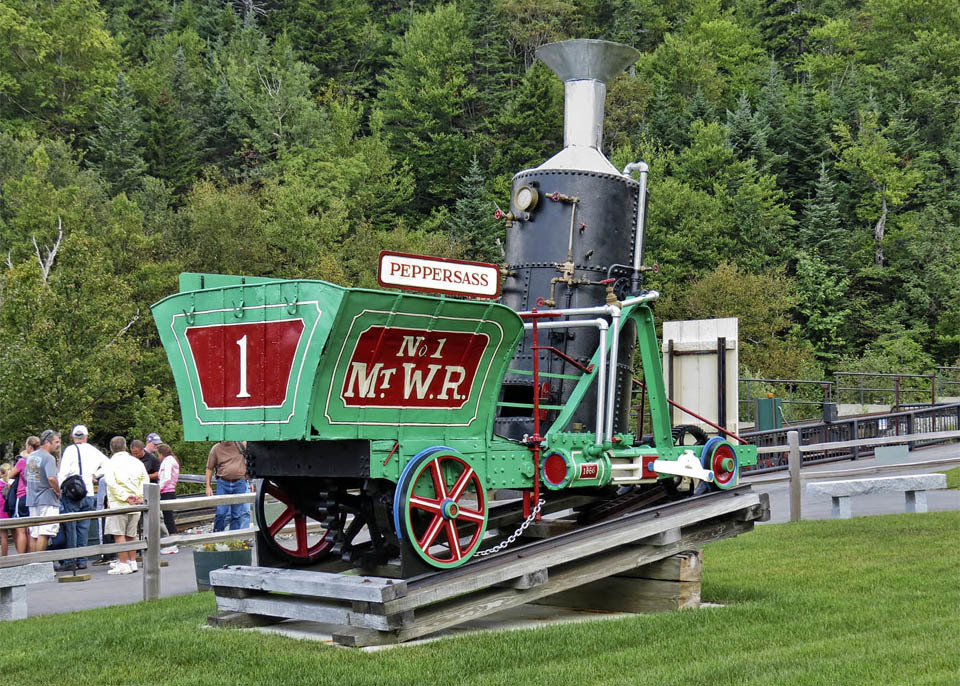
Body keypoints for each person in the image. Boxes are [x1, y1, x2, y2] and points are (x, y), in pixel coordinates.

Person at [57, 424, 108, 571]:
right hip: (88, 493)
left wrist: (59, 490)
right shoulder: (93, 450)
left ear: (73, 437)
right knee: (83, 528)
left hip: (72, 493)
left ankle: (71, 560)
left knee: (71, 527)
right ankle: (83, 560)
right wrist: (95, 475)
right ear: (86, 437)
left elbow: (63, 472)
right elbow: (107, 464)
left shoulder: (70, 450)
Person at [103, 436, 148, 575]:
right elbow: (144, 479)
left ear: (111, 449)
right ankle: (132, 561)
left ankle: (123, 563)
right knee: (131, 533)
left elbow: (111, 482)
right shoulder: (136, 462)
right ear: (125, 447)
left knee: (119, 534)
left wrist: (125, 496)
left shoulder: (110, 463)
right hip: (136, 502)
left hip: (119, 502)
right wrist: (139, 496)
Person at [25, 429, 61, 552]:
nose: (58, 444)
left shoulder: (30, 456)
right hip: (46, 498)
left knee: (34, 533)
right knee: (44, 532)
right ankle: (40, 563)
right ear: (47, 442)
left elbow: (26, 476)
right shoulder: (49, 458)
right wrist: (58, 490)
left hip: (32, 498)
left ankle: (34, 563)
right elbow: (51, 477)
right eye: (56, 442)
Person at [205, 441, 251, 532]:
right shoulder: (215, 449)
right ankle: (217, 536)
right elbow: (209, 468)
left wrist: (250, 478)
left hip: (239, 483)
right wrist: (208, 486)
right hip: (223, 483)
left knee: (237, 514)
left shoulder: (240, 445)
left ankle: (233, 539)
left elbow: (251, 458)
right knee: (221, 512)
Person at [12, 436, 40, 553]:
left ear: (29, 446)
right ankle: (32, 557)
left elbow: (10, 475)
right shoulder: (38, 460)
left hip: (22, 495)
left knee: (21, 530)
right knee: (32, 530)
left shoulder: (22, 461)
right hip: (34, 496)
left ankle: (21, 557)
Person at [157, 443, 180, 554]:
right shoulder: (172, 460)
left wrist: (157, 489)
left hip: (166, 492)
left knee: (168, 518)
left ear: (161, 454)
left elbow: (166, 477)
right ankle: (172, 542)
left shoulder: (167, 462)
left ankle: (172, 543)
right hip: (170, 491)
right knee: (168, 517)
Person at [0, 462, 11, 556]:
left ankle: (4, 556)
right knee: (5, 536)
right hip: (8, 511)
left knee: (3, 536)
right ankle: (5, 556)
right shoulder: (10, 484)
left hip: (1, 511)